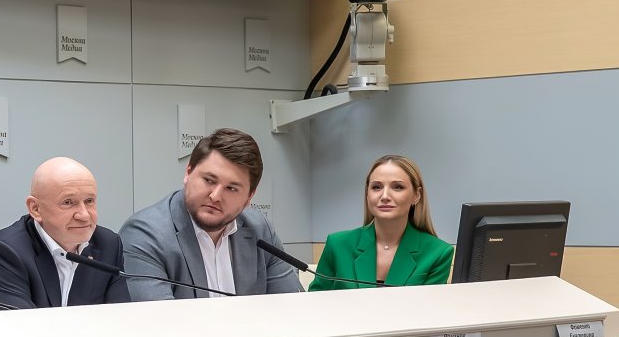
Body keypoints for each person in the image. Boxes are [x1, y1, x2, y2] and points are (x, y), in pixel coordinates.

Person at [119, 127, 302, 299]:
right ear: (188, 173)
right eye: (209, 180)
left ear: (249, 197)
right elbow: (161, 318)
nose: (215, 196)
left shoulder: (260, 230)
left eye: (231, 188)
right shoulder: (145, 234)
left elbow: (292, 308)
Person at [0, 157, 130, 311]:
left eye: (89, 201)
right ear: (35, 209)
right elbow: (19, 324)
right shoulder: (7, 251)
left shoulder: (108, 244)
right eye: (68, 202)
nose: (84, 215)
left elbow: (120, 316)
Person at [311, 155, 453, 291]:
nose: (385, 196)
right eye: (376, 187)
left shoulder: (438, 253)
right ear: (367, 193)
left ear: (416, 195)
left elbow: (429, 307)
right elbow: (315, 302)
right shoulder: (337, 245)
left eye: (397, 187)